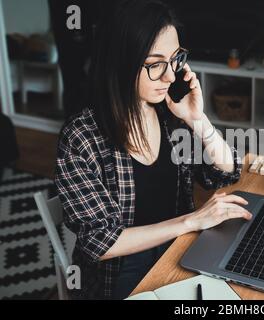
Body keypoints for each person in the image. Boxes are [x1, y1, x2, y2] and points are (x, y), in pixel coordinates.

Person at [54, 0, 251, 300]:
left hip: (180, 250)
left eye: (175, 59)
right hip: (120, 275)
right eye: (155, 64)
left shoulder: (169, 115)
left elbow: (225, 172)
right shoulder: (81, 138)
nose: (171, 76)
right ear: (120, 61)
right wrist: (191, 221)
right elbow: (101, 242)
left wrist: (199, 121)